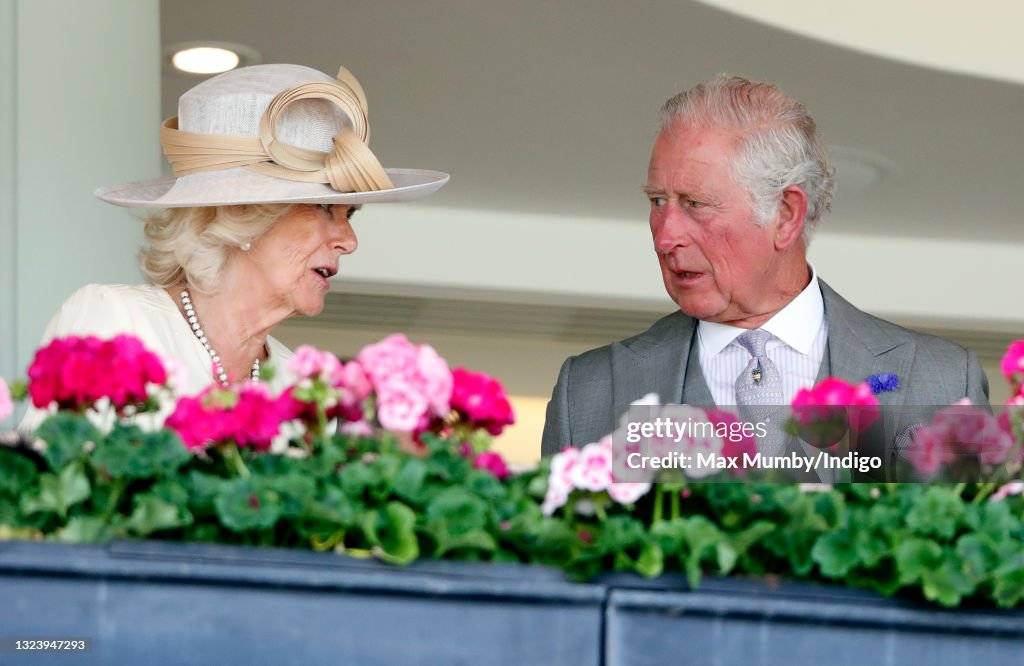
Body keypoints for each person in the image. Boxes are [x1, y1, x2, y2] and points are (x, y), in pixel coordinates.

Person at [540, 75, 989, 479]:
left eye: (694, 203)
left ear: (786, 214)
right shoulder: (587, 393)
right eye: (658, 202)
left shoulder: (945, 382)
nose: (665, 236)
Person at [20, 63, 448, 430]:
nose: (349, 240)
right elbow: (45, 509)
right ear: (242, 213)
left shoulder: (299, 389)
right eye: (324, 208)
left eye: (349, 215)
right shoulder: (116, 323)